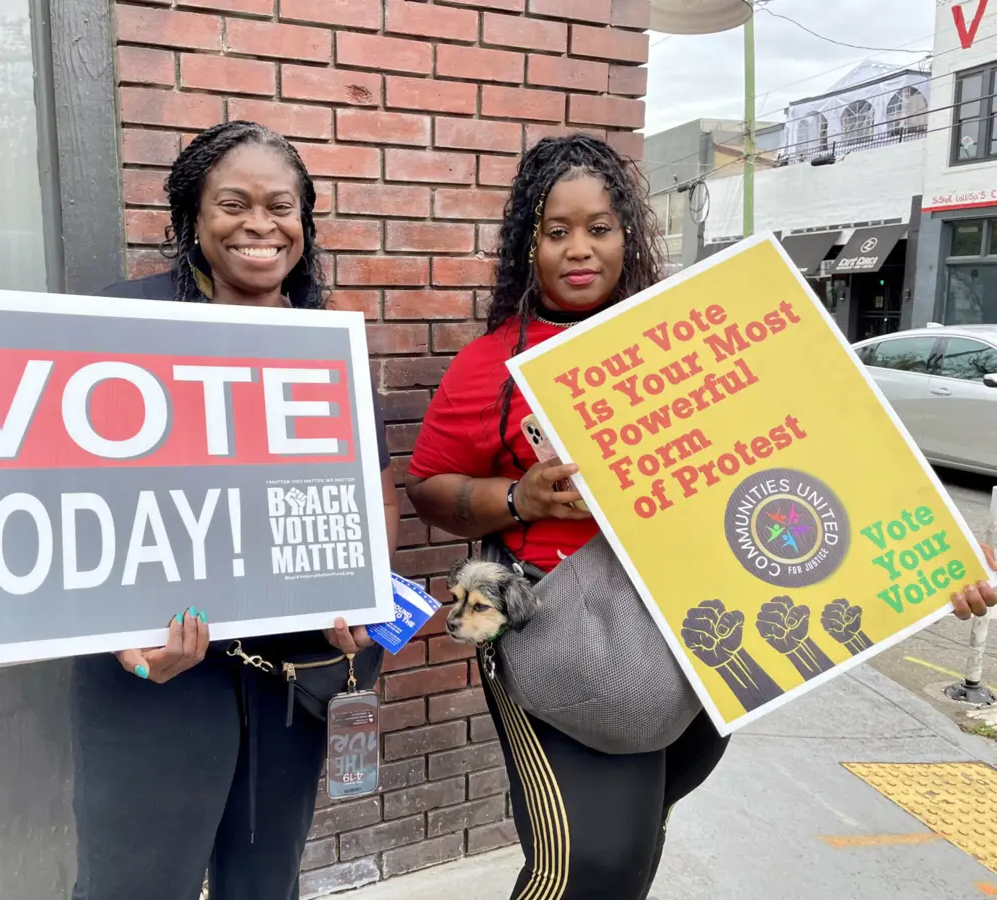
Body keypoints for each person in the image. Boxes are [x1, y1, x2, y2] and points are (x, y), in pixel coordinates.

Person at [404, 134, 997, 900]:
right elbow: (428, 489)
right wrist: (520, 498)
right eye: (556, 232)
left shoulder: (706, 337)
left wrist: (942, 561)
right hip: (558, 631)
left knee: (638, 841)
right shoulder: (489, 365)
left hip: (702, 635)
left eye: (601, 228)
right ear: (528, 245)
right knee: (587, 865)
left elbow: (826, 459)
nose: (579, 250)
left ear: (629, 236)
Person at [70, 121, 399, 900]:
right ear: (191, 218)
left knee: (263, 880)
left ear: (305, 221)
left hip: (290, 671)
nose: (260, 225)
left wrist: (360, 586)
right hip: (156, 672)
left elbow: (372, 494)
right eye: (232, 204)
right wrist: (117, 627)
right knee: (135, 884)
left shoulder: (328, 344)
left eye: (281, 205)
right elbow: (72, 502)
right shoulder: (124, 321)